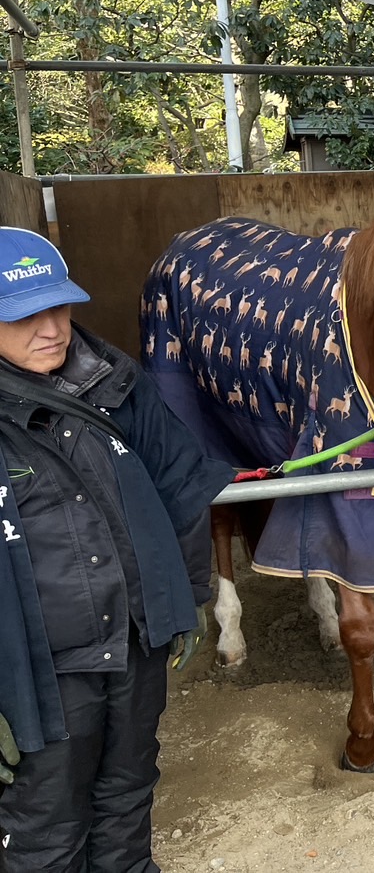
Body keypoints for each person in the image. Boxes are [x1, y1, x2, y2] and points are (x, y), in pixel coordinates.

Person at [0, 226, 234, 872]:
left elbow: (182, 488)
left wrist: (185, 596)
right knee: (46, 823)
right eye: (23, 316)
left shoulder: (118, 386)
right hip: (38, 670)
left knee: (128, 795)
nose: (51, 329)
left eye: (58, 306)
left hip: (132, 643)